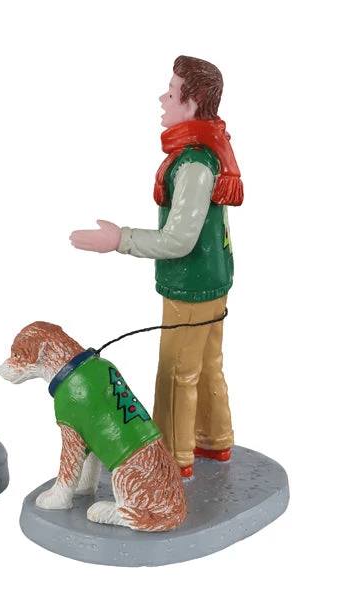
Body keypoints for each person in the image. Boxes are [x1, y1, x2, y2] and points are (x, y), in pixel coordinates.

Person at [70, 56, 243, 477]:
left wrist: (120, 240)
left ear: (192, 102)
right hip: (212, 279)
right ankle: (214, 439)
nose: (163, 99)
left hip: (192, 285)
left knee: (177, 373)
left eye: (171, 92)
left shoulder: (195, 165)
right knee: (206, 366)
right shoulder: (206, 153)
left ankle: (172, 455)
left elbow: (179, 240)